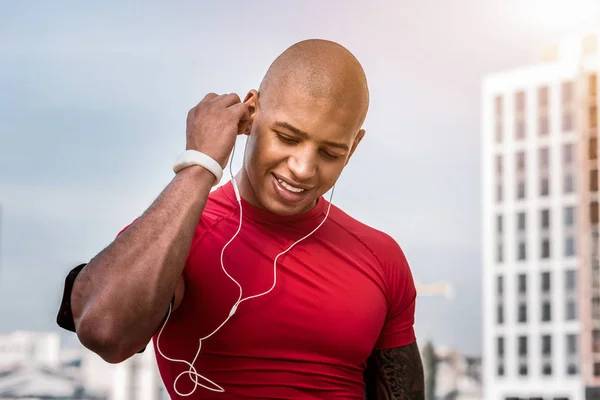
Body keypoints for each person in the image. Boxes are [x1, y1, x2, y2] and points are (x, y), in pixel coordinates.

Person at [57, 39, 424, 399]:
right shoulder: (179, 235)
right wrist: (199, 165)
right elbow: (106, 333)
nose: (303, 168)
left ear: (353, 148)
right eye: (286, 137)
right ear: (250, 113)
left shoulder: (381, 257)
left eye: (330, 152)